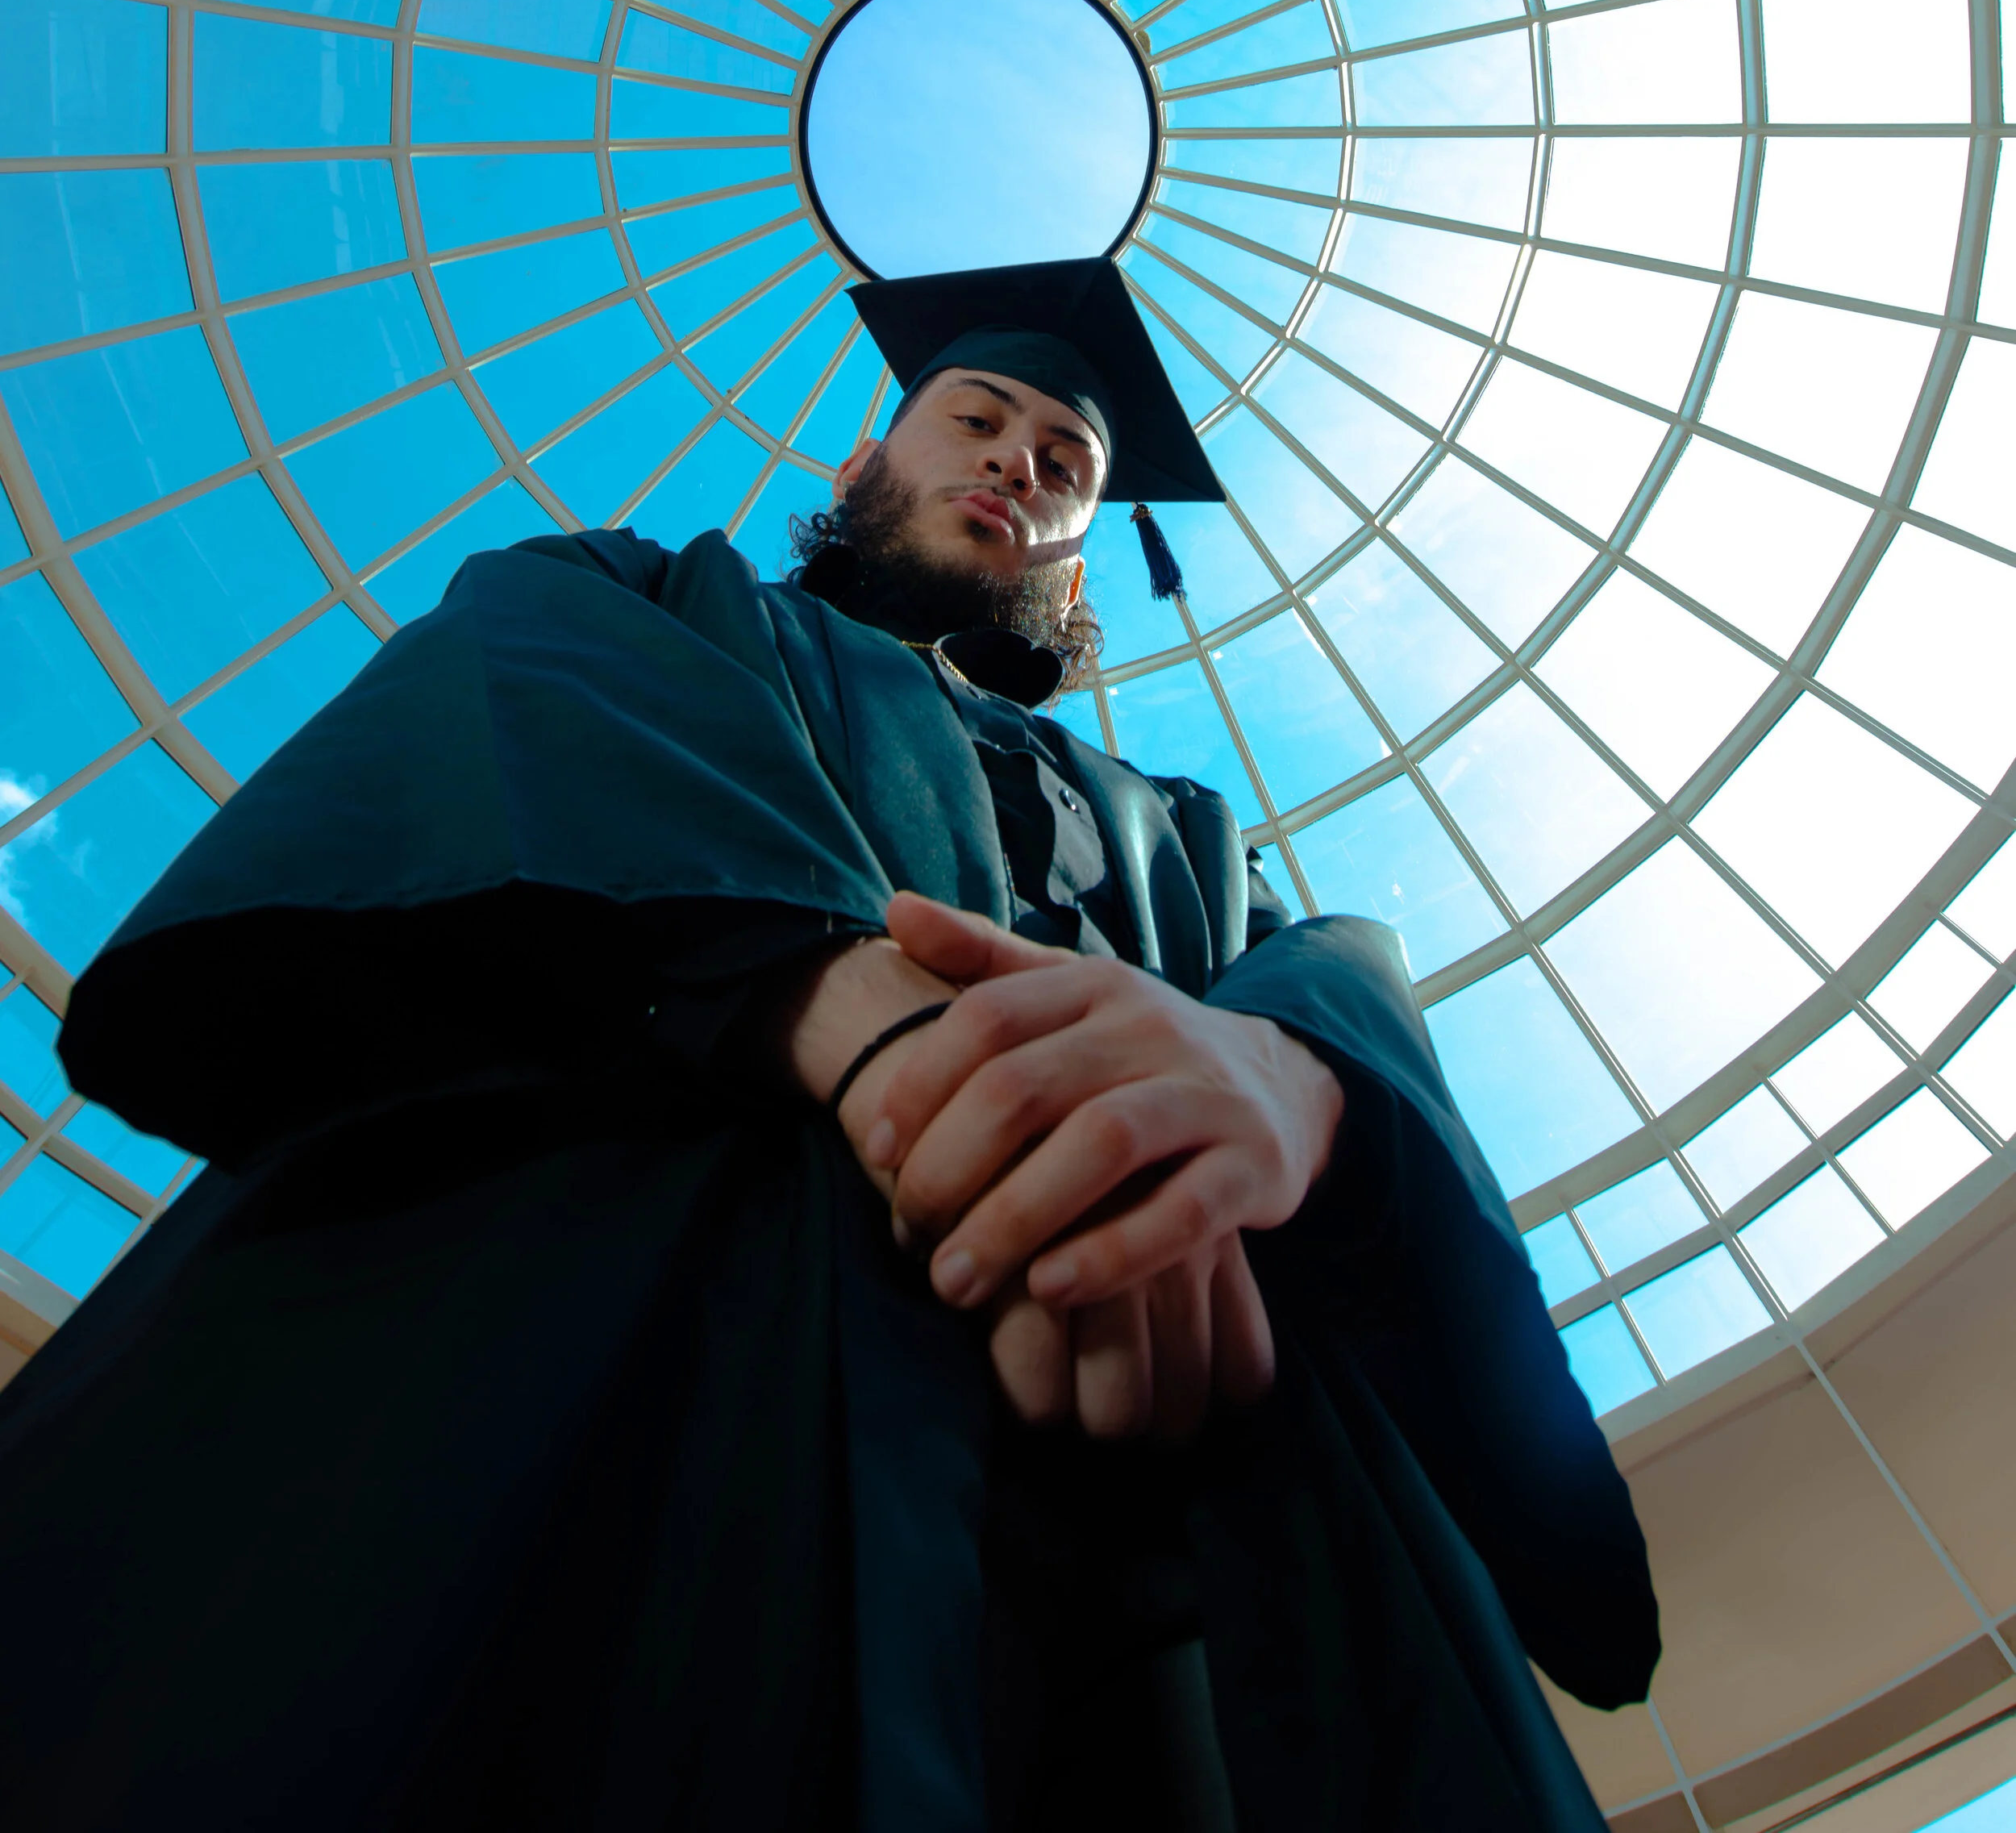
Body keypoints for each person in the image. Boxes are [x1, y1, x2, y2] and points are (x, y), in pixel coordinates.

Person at [0, 255, 1656, 1831]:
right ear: (871, 456)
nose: (1018, 457)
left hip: (1164, 1484)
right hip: (622, 1344)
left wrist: (1289, 1084)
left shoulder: (1187, 842)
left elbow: (1322, 974)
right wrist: (832, 993)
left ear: (1077, 553)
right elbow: (517, 688)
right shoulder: (644, 600)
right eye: (979, 418)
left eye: (1065, 455)